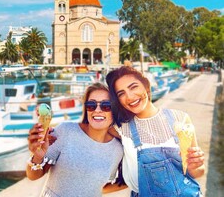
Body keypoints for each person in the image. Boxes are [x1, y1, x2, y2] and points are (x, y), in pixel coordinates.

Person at [106, 66, 205, 196]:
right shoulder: (119, 129)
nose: (129, 96)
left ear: (146, 86)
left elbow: (198, 173)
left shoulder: (181, 118)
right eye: (121, 93)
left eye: (133, 87)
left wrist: (196, 166)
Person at [27, 82, 125, 196]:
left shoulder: (117, 150)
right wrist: (37, 157)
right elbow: (33, 176)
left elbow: (100, 187)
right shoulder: (66, 130)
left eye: (106, 105)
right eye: (91, 105)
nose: (97, 110)